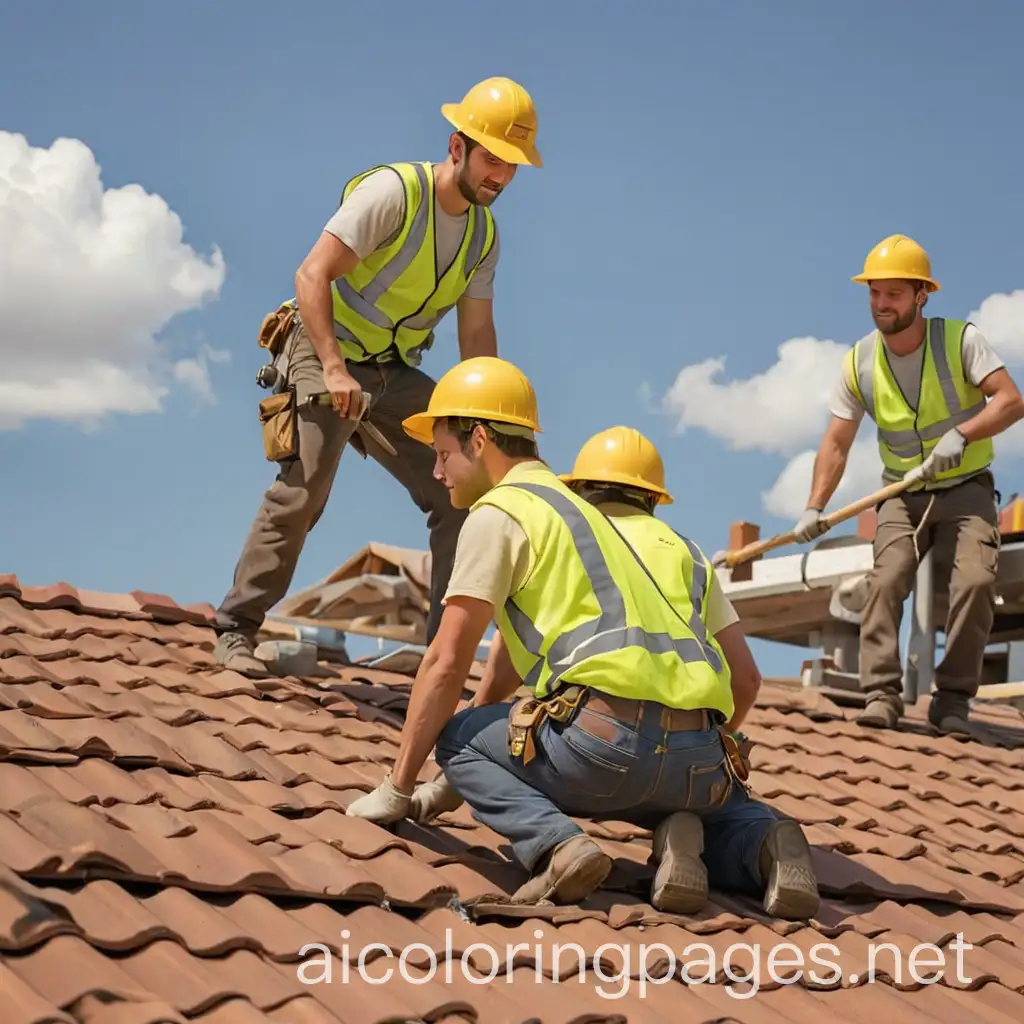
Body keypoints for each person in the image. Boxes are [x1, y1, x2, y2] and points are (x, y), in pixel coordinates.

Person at [346, 359, 821, 921]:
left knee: (455, 734)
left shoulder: (501, 513)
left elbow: (447, 663)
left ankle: (558, 846)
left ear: (478, 439)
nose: (438, 469)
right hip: (699, 753)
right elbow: (746, 678)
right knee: (706, 805)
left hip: (603, 746)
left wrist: (401, 787)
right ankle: (755, 837)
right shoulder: (605, 524)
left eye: (443, 452)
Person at [212, 77, 543, 676]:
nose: (501, 175)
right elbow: (311, 275)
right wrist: (334, 370)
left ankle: (444, 656)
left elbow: (476, 340)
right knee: (305, 487)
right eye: (493, 158)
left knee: (466, 494)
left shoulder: (483, 237)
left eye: (513, 165)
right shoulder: (395, 194)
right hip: (323, 349)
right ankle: (236, 629)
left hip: (395, 372)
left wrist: (488, 426)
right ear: (457, 147)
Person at [792, 234, 1024, 733]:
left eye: (893, 294)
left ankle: (954, 701)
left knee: (978, 581)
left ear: (922, 295)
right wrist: (814, 506)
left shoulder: (961, 340)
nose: (881, 304)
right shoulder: (858, 363)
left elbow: (1010, 400)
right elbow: (836, 442)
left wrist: (961, 435)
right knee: (886, 578)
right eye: (874, 293)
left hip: (966, 488)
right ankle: (882, 695)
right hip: (901, 493)